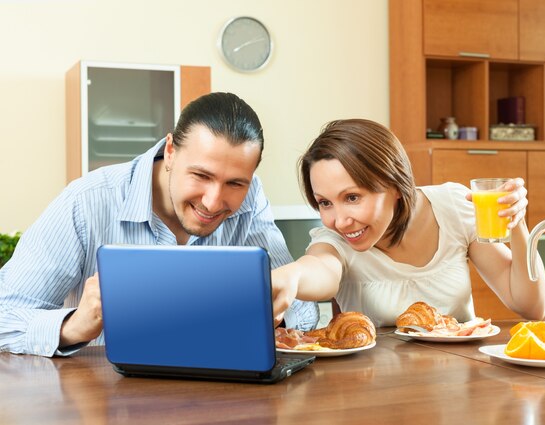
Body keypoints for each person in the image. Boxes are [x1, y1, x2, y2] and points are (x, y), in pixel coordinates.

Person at [0, 92, 318, 357]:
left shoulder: (250, 199)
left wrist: (275, 297)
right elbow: (5, 317)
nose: (212, 201)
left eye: (235, 183)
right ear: (170, 152)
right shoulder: (86, 201)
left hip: (217, 397)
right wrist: (76, 325)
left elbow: (303, 315)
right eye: (201, 176)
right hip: (105, 401)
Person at [272, 118, 545, 327]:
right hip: (375, 391)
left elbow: (529, 306)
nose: (340, 221)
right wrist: (292, 275)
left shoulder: (452, 206)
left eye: (353, 197)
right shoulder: (335, 240)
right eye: (325, 203)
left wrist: (518, 225)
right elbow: (320, 269)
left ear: (394, 184)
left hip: (461, 388)